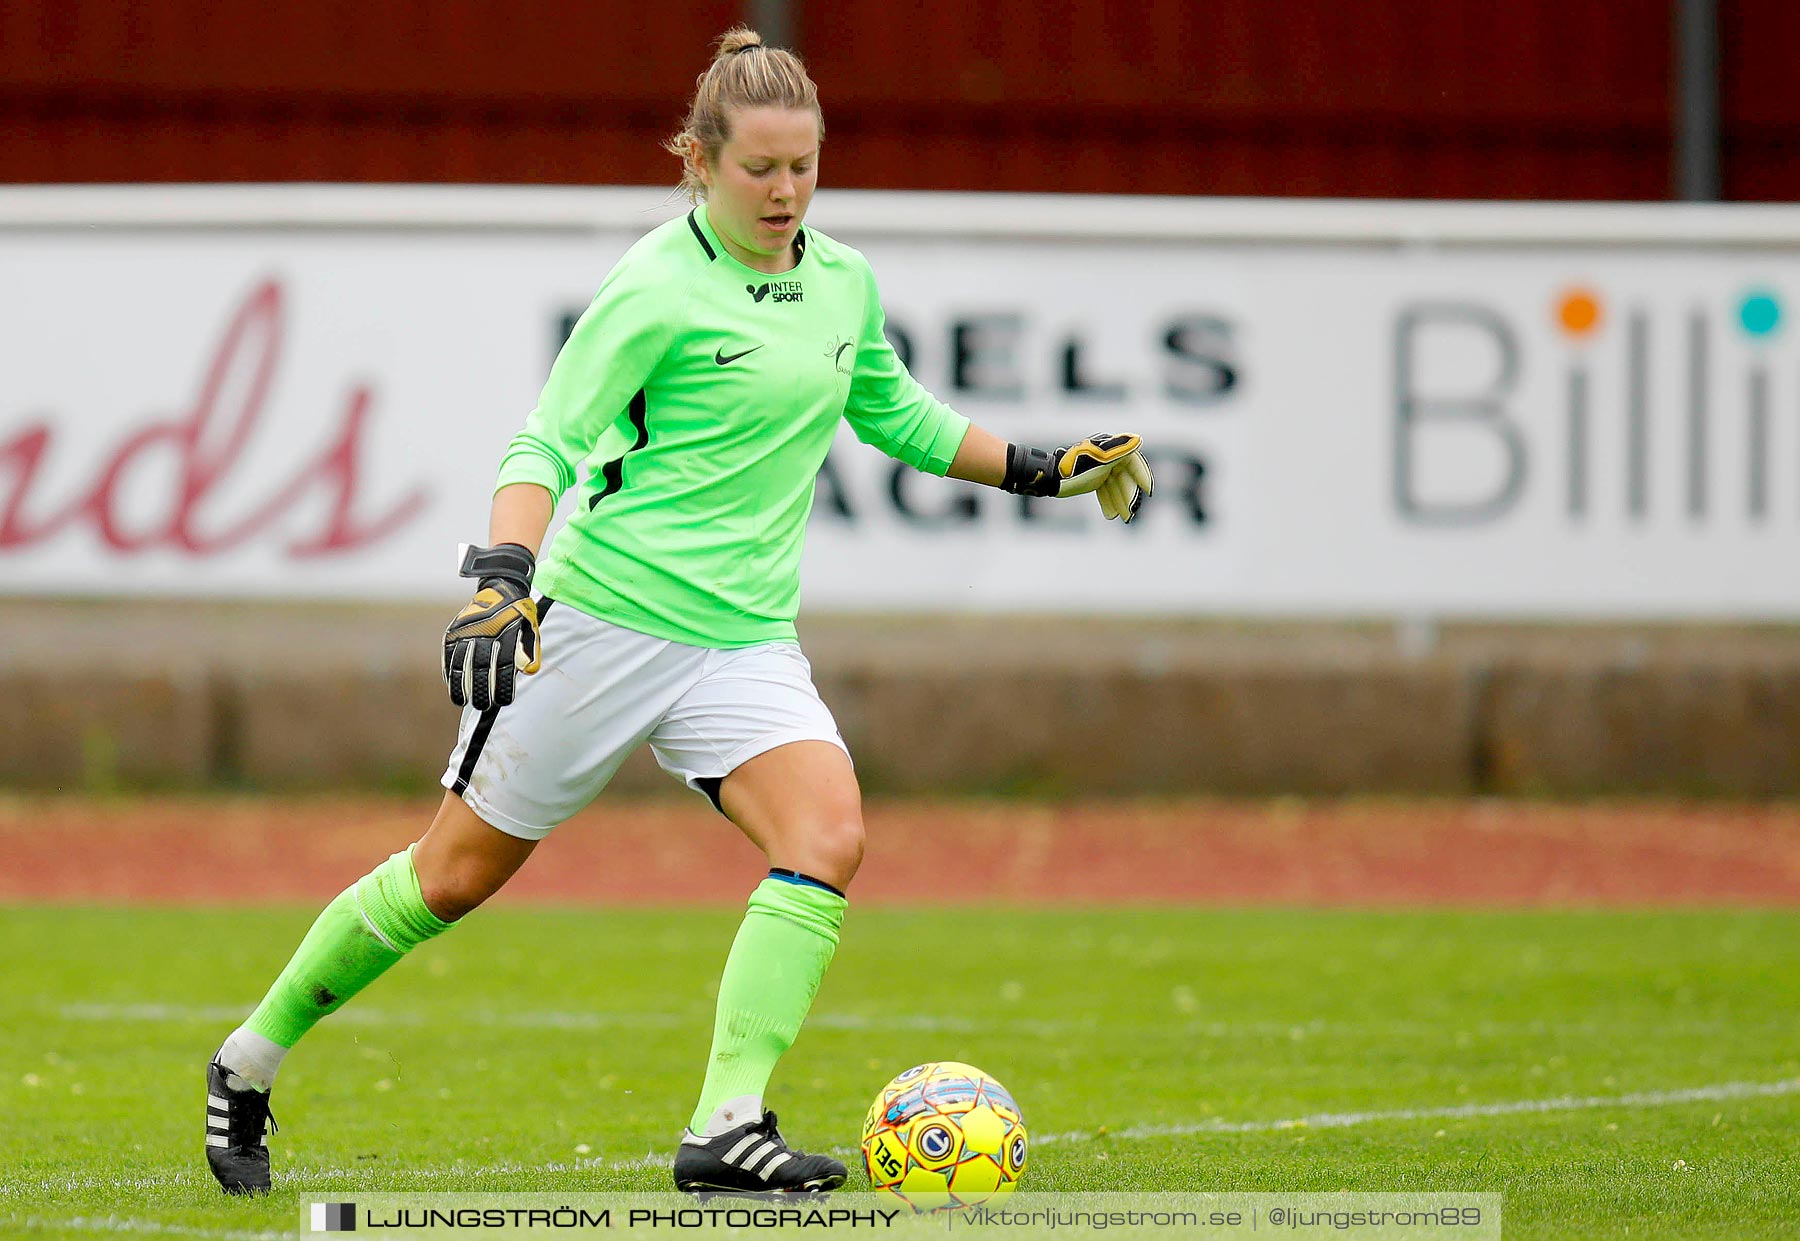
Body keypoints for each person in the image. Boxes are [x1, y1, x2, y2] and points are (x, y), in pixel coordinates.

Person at [203, 25, 1152, 1198]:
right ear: (698, 161)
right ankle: (248, 1056)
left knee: (827, 837)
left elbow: (897, 415)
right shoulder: (654, 285)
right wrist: (505, 575)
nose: (785, 190)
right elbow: (545, 436)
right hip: (602, 620)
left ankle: (725, 1124)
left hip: (742, 641)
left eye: (804, 166)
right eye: (760, 168)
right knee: (449, 878)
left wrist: (1047, 466)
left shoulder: (841, 279)